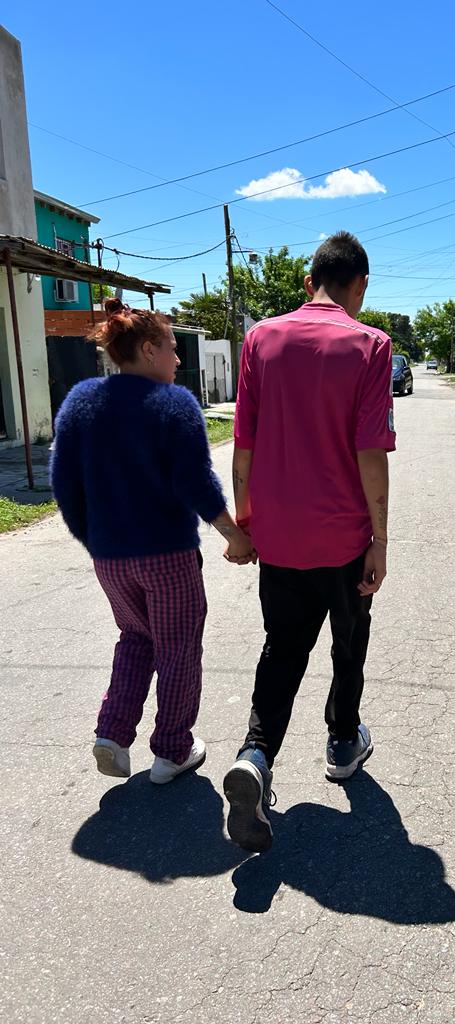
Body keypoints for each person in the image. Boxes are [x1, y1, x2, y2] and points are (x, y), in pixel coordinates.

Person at [222, 231, 396, 853]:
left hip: (280, 538)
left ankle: (255, 756)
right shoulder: (371, 346)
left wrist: (244, 525)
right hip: (344, 537)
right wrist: (380, 537)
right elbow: (370, 452)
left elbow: (244, 440)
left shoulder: (260, 339)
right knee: (348, 644)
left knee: (282, 648)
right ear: (360, 285)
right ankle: (343, 743)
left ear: (308, 282)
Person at [51, 299, 254, 785]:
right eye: (171, 349)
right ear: (146, 350)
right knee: (178, 648)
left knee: (135, 639)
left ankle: (113, 734)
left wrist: (95, 540)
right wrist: (236, 537)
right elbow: (195, 483)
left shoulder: (81, 400)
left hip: (110, 559)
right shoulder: (173, 404)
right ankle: (171, 751)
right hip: (166, 558)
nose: (178, 359)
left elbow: (64, 485)